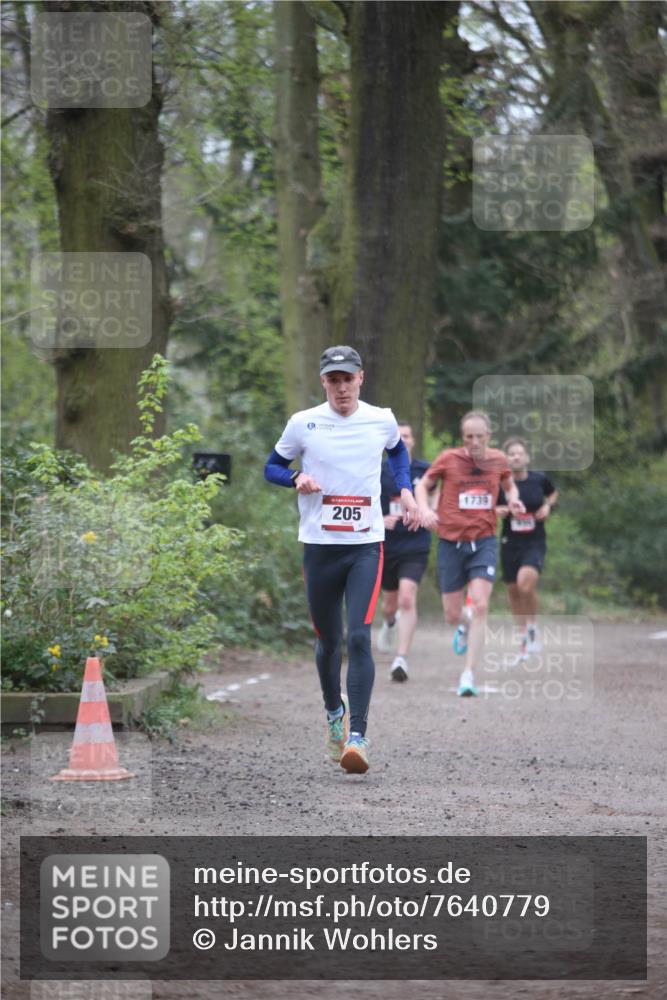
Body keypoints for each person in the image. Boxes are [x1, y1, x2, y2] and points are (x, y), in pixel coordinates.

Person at [264, 346, 421, 774]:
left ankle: (358, 738)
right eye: (333, 380)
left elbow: (397, 452)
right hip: (319, 547)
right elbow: (271, 467)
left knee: (359, 637)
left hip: (365, 545)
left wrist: (406, 490)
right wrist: (295, 477)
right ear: (323, 382)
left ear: (360, 378)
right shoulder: (303, 423)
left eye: (348, 379)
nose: (342, 388)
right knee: (329, 641)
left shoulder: (381, 419)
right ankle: (335, 712)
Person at [415, 411, 524, 697]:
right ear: (462, 437)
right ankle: (463, 626)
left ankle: (468, 674)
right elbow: (423, 485)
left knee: (481, 605)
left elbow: (509, 486)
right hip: (451, 543)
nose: (474, 442)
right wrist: (425, 510)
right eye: (468, 437)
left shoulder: (498, 460)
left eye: (479, 437)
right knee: (452, 614)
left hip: (483, 541)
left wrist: (514, 500)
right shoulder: (448, 459)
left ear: (489, 436)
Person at [377, 422, 433, 682]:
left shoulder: (425, 470)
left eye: (407, 435)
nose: (403, 439)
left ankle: (401, 658)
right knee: (389, 605)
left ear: (413, 440)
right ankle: (390, 623)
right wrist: (381, 519)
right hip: (387, 544)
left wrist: (430, 512)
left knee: (407, 598)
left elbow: (437, 496)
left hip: (415, 544)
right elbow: (365, 502)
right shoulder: (378, 470)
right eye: (398, 436)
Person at [495, 437, 558, 660]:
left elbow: (553, 493)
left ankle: (532, 626)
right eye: (512, 454)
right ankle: (523, 634)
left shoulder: (539, 479)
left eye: (520, 453)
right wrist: (498, 510)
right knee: (513, 590)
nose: (516, 457)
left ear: (527, 457)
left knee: (525, 584)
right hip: (510, 542)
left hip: (534, 541)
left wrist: (548, 507)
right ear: (506, 459)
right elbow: (491, 506)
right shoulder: (501, 484)